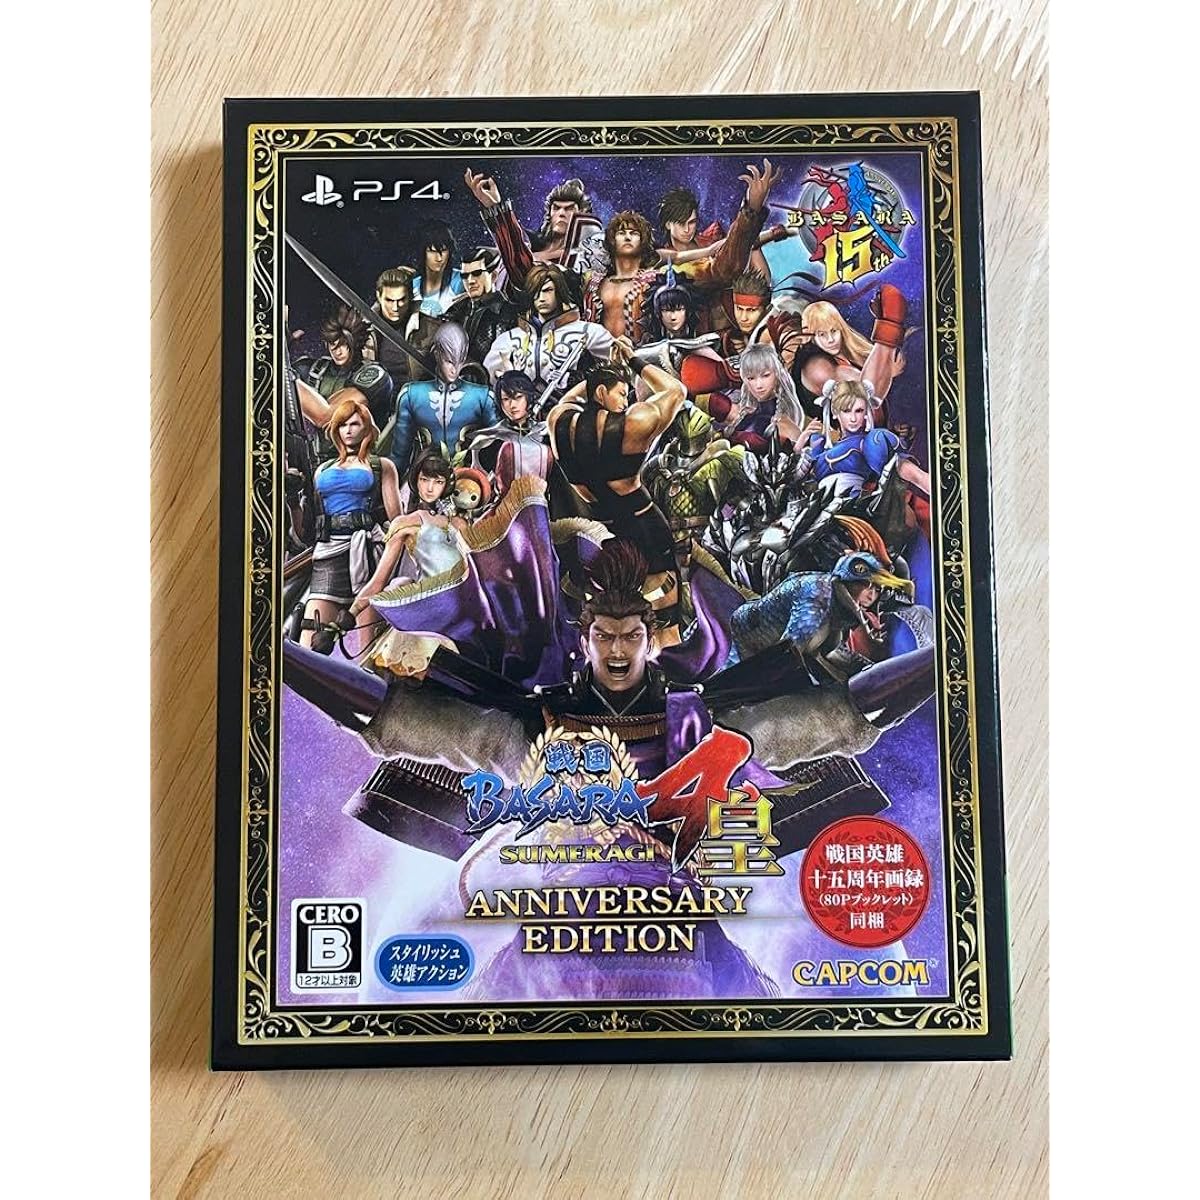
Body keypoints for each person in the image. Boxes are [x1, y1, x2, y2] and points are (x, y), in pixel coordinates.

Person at [546, 343, 688, 636]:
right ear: (602, 393)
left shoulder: (558, 420)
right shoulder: (634, 423)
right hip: (643, 526)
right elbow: (676, 391)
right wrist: (632, 361)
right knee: (662, 611)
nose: (626, 400)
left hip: (600, 530)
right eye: (622, 393)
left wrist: (602, 376)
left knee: (609, 611)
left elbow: (572, 398)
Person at [299, 395, 401, 653]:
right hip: (328, 551)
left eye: (354, 424)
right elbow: (310, 519)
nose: (348, 430)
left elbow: (397, 521)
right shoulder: (322, 469)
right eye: (343, 425)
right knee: (310, 638)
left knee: (368, 645)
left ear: (366, 427)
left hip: (367, 552)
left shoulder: (381, 466)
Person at [349, 452, 466, 621]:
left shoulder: (459, 523)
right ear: (416, 480)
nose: (430, 488)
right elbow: (378, 582)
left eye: (438, 481)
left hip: (464, 604)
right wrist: (350, 615)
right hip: (429, 606)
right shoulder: (405, 523)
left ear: (447, 485)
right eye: (424, 479)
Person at [483, 262, 613, 409]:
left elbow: (615, 375)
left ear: (559, 291)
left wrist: (577, 379)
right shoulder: (509, 339)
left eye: (547, 290)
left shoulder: (589, 332)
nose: (541, 298)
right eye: (536, 292)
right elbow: (491, 384)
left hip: (572, 414)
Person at [390, 322, 497, 475]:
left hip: (467, 479)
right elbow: (400, 455)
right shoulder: (411, 395)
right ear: (437, 353)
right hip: (424, 478)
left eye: (459, 361)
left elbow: (498, 448)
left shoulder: (483, 397)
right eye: (449, 361)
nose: (454, 370)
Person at [798, 378, 930, 500]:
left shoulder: (872, 441)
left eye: (859, 410)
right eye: (846, 410)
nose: (853, 418)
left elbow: (917, 476)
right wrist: (800, 442)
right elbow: (795, 479)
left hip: (851, 507)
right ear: (835, 412)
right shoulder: (819, 444)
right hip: (815, 509)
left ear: (866, 412)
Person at [791, 287, 907, 422]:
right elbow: (865, 393)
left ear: (841, 329)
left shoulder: (846, 355)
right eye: (822, 334)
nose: (830, 339)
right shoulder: (814, 365)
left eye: (833, 331)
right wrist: (888, 329)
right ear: (811, 336)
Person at [694, 343, 805, 454]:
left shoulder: (784, 422)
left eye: (765, 375)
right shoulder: (746, 410)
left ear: (777, 375)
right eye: (751, 378)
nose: (758, 385)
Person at [300, 304, 394, 432]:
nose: (337, 352)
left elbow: (326, 417)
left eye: (343, 345)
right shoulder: (311, 368)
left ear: (355, 343)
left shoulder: (374, 375)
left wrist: (287, 374)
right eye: (333, 344)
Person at [462, 372, 551, 496]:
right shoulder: (487, 440)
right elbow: (476, 488)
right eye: (506, 399)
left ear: (529, 397)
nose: (512, 405)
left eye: (518, 397)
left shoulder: (547, 432)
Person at [443, 246, 521, 367]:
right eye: (465, 276)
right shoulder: (456, 309)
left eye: (477, 274)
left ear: (493, 276)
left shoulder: (509, 313)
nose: (470, 281)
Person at [363, 266, 427, 390]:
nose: (395, 307)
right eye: (389, 300)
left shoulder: (428, 326)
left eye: (401, 300)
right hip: (375, 396)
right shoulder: (363, 328)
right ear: (378, 296)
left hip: (416, 396)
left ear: (410, 297)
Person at [411, 219, 465, 316]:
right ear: (422, 252)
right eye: (432, 251)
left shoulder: (461, 280)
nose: (439, 258)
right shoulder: (413, 286)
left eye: (444, 251)